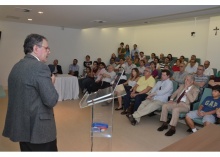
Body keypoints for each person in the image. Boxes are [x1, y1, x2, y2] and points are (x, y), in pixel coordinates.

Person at [2, 34, 59, 151]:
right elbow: (51, 100)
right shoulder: (40, 67)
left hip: (22, 127)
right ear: (36, 48)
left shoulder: (17, 66)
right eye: (46, 48)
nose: (49, 51)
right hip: (39, 131)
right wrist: (51, 83)